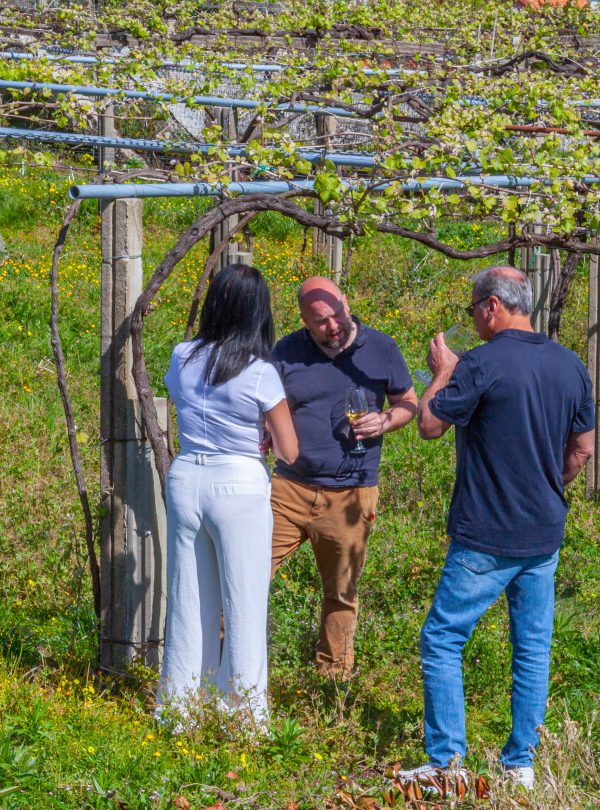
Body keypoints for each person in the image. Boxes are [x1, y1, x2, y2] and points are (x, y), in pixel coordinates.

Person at [399, 266, 595, 791]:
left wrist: (443, 371)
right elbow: (583, 447)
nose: (473, 320)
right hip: (543, 533)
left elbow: (429, 425)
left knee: (442, 638)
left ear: (491, 306)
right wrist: (546, 485)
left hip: (485, 534)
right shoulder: (571, 364)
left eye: (473, 310)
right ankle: (521, 763)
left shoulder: (479, 363)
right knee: (532, 647)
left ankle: (447, 764)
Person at [156, 264, 298, 728]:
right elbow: (289, 450)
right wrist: (264, 436)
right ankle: (244, 718)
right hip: (238, 482)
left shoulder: (182, 355)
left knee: (188, 600)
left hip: (186, 477)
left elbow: (185, 399)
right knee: (244, 603)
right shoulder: (259, 371)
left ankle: (179, 712)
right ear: (258, 312)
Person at [270, 276, 417, 679]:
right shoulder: (286, 351)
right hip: (288, 488)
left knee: (341, 591)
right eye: (320, 322)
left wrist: (385, 420)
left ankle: (333, 679)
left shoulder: (382, 348)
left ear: (346, 303)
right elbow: (268, 407)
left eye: (336, 315)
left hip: (351, 492)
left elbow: (408, 402)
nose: (332, 326)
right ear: (304, 321)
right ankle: (224, 667)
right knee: (245, 572)